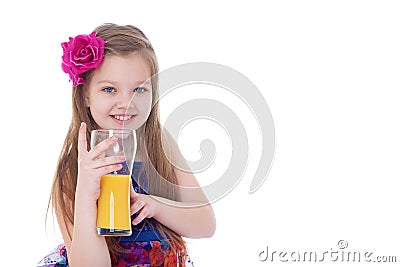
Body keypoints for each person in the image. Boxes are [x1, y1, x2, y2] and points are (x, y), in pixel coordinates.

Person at [37, 23, 216, 267]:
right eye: (109, 89)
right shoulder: (73, 169)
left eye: (139, 89)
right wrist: (86, 192)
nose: (126, 103)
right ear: (86, 95)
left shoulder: (161, 145)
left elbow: (205, 224)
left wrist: (155, 205)